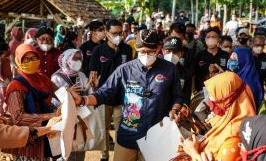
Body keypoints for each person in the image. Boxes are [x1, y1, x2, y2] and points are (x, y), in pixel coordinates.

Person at [70, 30, 184, 161]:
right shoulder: (124, 70)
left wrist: (175, 110)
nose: (146, 55)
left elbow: (177, 96)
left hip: (156, 135)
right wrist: (83, 100)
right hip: (128, 135)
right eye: (142, 51)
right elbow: (105, 93)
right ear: (136, 48)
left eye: (150, 51)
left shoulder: (170, 70)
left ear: (158, 49)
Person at [180, 72, 256, 160]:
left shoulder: (234, 138)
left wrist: (193, 153)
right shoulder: (227, 121)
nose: (210, 100)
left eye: (214, 95)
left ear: (228, 100)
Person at [4, 44, 59, 160]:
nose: (31, 62)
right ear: (19, 61)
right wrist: (50, 116)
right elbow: (18, 118)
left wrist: (69, 94)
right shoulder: (15, 86)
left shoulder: (42, 78)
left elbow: (58, 92)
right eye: (26, 59)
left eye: (34, 58)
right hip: (26, 141)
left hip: (44, 134)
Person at [89, 19, 133, 161]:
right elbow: (93, 73)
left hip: (122, 97)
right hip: (104, 96)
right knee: (103, 128)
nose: (118, 36)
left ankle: (120, 156)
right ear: (107, 33)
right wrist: (93, 81)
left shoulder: (127, 50)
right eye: (114, 33)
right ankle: (104, 155)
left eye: (120, 33)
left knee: (122, 129)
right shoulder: (98, 51)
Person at [51, 49, 94, 161]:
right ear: (66, 60)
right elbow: (54, 101)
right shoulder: (57, 78)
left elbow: (89, 95)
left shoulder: (81, 75)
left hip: (80, 118)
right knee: (64, 147)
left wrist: (91, 86)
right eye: (74, 58)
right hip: (64, 119)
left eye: (79, 58)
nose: (77, 61)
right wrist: (67, 93)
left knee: (79, 145)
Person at [194, 27, 229, 92]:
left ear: (219, 40)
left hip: (221, 90)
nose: (211, 39)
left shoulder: (225, 55)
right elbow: (193, 74)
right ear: (205, 40)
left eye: (214, 37)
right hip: (202, 91)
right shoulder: (199, 55)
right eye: (208, 37)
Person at [163, 36, 192, 105]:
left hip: (175, 112)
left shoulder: (186, 73)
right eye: (168, 51)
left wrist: (183, 109)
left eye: (175, 52)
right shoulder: (155, 70)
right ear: (163, 51)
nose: (171, 55)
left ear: (181, 54)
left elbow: (186, 98)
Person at [0, 43, 12, 115]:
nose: (9, 50)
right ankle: (1, 112)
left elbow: (9, 70)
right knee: (1, 97)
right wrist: (4, 79)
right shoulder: (0, 60)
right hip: (2, 82)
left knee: (6, 97)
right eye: (8, 49)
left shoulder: (7, 60)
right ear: (4, 51)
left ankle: (5, 111)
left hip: (7, 81)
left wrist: (10, 79)